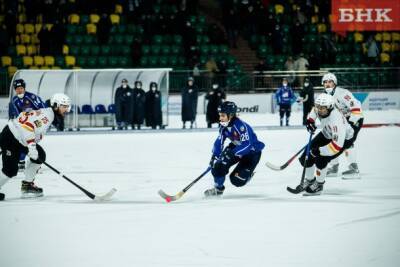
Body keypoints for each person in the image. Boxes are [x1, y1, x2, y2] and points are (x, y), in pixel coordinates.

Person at [0, 93, 71, 201]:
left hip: (21, 138)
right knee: (10, 170)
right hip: (11, 136)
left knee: (40, 156)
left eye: (67, 106)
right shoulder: (47, 116)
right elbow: (27, 126)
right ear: (56, 105)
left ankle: (27, 185)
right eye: (64, 106)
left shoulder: (49, 113)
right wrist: (32, 147)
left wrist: (32, 146)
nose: (66, 109)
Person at [295, 93, 356, 195]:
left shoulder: (336, 120)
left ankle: (319, 184)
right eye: (318, 107)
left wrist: (319, 151)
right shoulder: (321, 107)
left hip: (343, 140)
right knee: (305, 156)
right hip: (327, 132)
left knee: (321, 158)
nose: (320, 110)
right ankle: (310, 180)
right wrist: (310, 121)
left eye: (322, 108)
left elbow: (336, 146)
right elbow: (314, 111)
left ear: (330, 107)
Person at [204, 101, 265, 197]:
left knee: (236, 180)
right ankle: (218, 189)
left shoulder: (240, 126)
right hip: (236, 147)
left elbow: (247, 145)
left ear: (231, 115)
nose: (220, 118)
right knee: (218, 167)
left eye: (223, 116)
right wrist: (214, 156)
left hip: (251, 153)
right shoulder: (223, 126)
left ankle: (247, 175)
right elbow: (219, 141)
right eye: (220, 115)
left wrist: (232, 153)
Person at [321, 73, 364, 178]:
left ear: (335, 83)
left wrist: (351, 124)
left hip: (354, 118)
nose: (327, 84)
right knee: (332, 140)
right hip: (341, 119)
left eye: (330, 82)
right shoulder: (325, 96)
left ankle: (354, 169)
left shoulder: (343, 93)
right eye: (325, 82)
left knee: (347, 142)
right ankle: (334, 168)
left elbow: (356, 107)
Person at [9, 79, 47, 170]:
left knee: (31, 143)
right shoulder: (14, 100)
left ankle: (36, 162)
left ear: (24, 88)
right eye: (17, 88)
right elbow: (17, 115)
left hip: (36, 125)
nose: (19, 90)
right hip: (25, 125)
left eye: (21, 88)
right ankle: (22, 161)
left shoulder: (32, 97)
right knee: (24, 143)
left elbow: (44, 110)